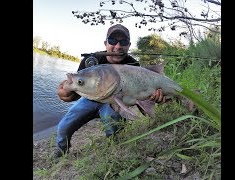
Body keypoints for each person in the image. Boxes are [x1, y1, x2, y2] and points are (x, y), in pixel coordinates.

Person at [53, 24, 166, 158]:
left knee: (113, 128)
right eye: (112, 41)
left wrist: (153, 99)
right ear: (106, 43)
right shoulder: (91, 61)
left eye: (123, 42)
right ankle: (61, 153)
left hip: (116, 102)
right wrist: (66, 95)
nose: (118, 46)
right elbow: (76, 91)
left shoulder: (134, 66)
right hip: (90, 100)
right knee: (63, 128)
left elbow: (140, 102)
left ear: (129, 45)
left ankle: (113, 152)